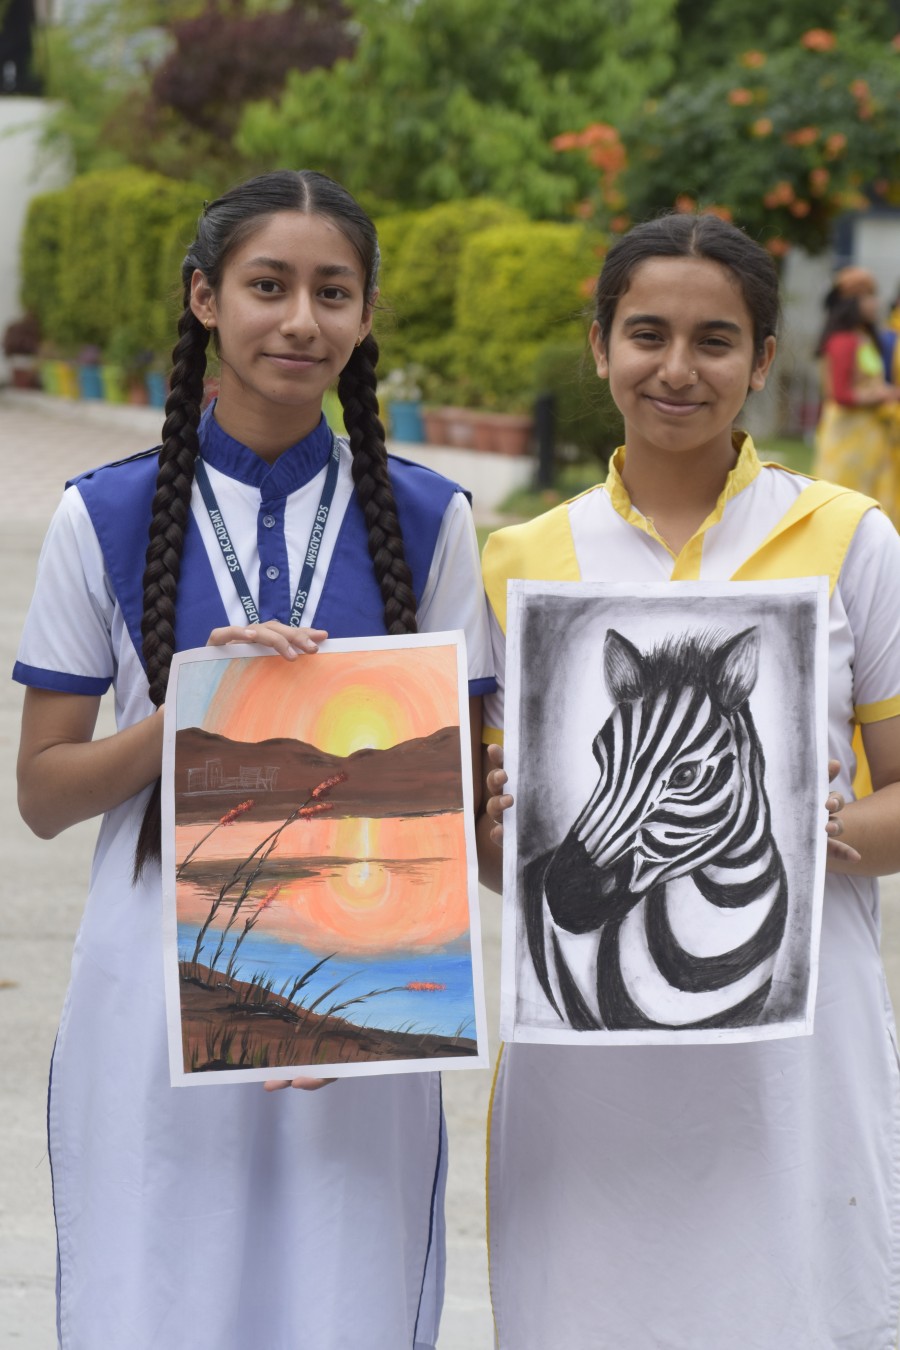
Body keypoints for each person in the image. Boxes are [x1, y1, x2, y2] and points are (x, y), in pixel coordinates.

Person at [14, 169, 495, 1350]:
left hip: (366, 991)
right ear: (205, 298)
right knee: (156, 1301)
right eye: (268, 286)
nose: (301, 320)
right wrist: (188, 714)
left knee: (345, 1306)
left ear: (367, 315)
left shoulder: (430, 518)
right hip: (149, 989)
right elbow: (43, 793)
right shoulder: (102, 515)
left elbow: (462, 811)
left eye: (334, 292)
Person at [477, 213, 900, 1349]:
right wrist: (497, 826)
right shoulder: (521, 559)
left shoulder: (850, 538)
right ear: (599, 346)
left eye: (715, 341)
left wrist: (808, 833)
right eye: (646, 334)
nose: (677, 368)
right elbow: (493, 845)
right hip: (587, 1068)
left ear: (763, 362)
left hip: (796, 1060)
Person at [813, 265, 899, 524]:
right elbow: (840, 394)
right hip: (848, 436)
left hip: (869, 436)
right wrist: (884, 394)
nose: (875, 303)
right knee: (846, 506)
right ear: (851, 302)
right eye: (868, 297)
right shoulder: (843, 341)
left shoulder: (863, 337)